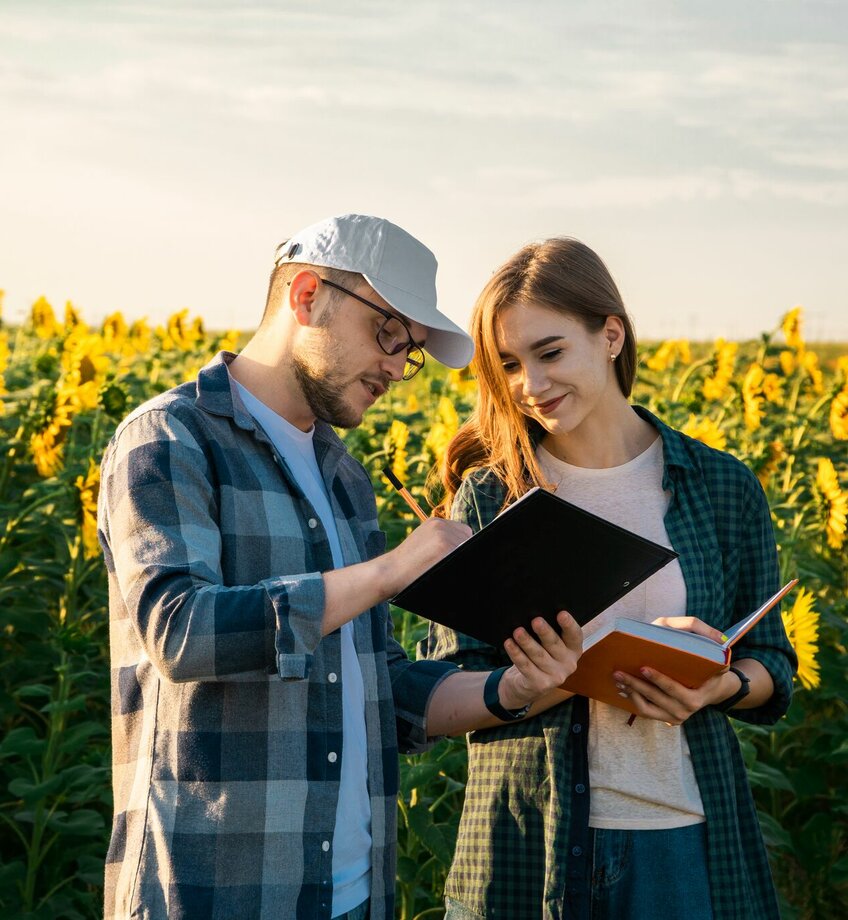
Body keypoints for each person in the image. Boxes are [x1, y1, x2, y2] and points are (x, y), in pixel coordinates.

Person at [97, 214, 583, 920]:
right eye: (389, 333)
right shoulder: (170, 439)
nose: (396, 366)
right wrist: (387, 572)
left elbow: (375, 686)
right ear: (305, 297)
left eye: (410, 350)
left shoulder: (343, 478)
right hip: (215, 894)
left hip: (352, 892)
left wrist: (516, 686)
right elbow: (180, 633)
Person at [422, 237, 797, 920]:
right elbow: (433, 696)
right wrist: (529, 682)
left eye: (551, 352)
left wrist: (720, 683)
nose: (529, 384)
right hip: (526, 843)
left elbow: (772, 660)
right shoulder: (490, 497)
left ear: (611, 335)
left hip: (681, 839)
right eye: (508, 364)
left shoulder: (721, 487)